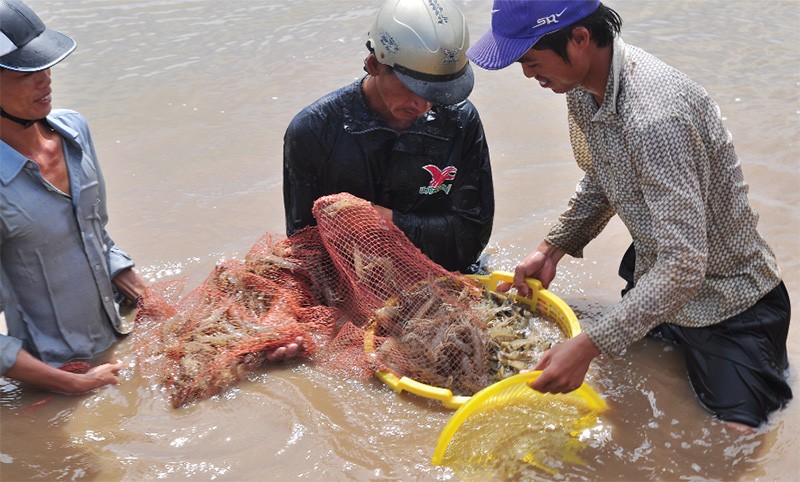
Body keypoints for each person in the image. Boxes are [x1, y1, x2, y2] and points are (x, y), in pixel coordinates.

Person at [467, 0, 791, 428]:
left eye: (529, 60)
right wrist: (552, 249)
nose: (528, 75)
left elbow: (685, 265)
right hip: (654, 283)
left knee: (735, 441)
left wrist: (588, 345)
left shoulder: (655, 116)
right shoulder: (585, 92)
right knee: (628, 387)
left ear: (579, 39)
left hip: (727, 302)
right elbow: (604, 178)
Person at [0, 0, 150, 394]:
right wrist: (68, 384)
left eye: (44, 64)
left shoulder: (74, 132)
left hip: (119, 336)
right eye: (25, 71)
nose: (44, 79)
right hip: (54, 376)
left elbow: (94, 233)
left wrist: (140, 290)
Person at [283, 0, 494, 274]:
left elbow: (470, 238)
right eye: (411, 88)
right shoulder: (313, 132)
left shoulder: (460, 121)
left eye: (437, 92)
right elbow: (305, 251)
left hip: (441, 276)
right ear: (374, 65)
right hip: (350, 283)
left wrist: (381, 220)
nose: (424, 105)